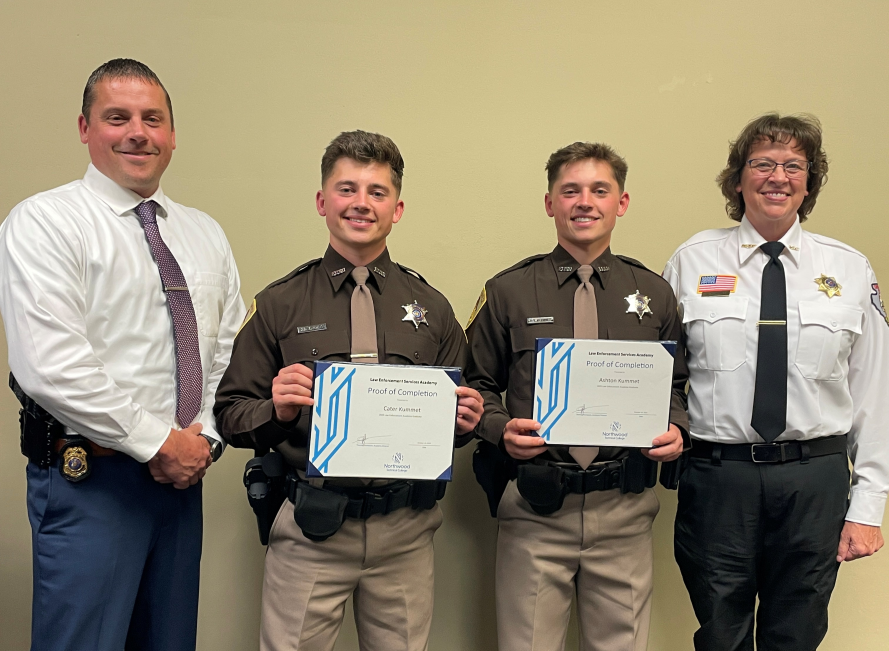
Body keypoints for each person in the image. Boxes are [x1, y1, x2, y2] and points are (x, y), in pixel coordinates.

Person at [0, 59, 244, 650]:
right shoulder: (46, 222)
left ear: (172, 134)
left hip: (182, 483)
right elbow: (52, 367)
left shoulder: (204, 233)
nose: (138, 132)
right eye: (118, 118)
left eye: (152, 119)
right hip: (91, 483)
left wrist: (203, 440)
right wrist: (161, 443)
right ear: (85, 128)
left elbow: (228, 349)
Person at [214, 130, 483, 651]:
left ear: (396, 209)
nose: (362, 203)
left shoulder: (432, 308)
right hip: (311, 529)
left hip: (406, 532)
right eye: (347, 189)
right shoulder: (280, 304)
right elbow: (231, 414)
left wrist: (464, 422)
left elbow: (456, 418)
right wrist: (277, 409)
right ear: (322, 201)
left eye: (377, 192)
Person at [663, 113, 888, 651]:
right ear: (738, 178)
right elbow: (663, 377)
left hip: (814, 481)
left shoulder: (850, 269)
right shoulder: (691, 262)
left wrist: (868, 506)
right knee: (721, 635)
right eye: (762, 163)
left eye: (794, 166)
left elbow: (875, 395)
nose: (778, 177)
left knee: (798, 636)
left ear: (809, 183)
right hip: (719, 480)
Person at [463, 141, 689, 651]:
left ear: (621, 203)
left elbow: (675, 384)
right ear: (550, 203)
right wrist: (500, 430)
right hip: (535, 507)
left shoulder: (653, 293)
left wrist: (677, 428)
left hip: (624, 508)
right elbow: (477, 386)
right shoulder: (508, 291)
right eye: (570, 191)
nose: (584, 202)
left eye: (599, 190)